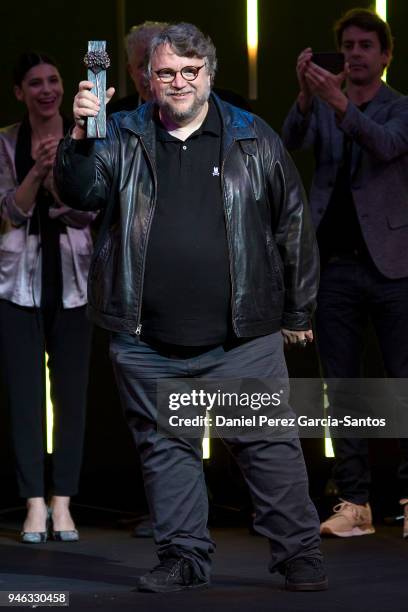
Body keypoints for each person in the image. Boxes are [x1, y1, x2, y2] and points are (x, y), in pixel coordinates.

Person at [55, 22, 327, 592]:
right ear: (147, 79)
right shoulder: (120, 134)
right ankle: (183, 558)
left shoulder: (253, 137)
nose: (178, 82)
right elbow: (82, 193)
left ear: (209, 74)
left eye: (189, 71)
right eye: (165, 73)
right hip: (147, 340)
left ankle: (300, 555)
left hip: (240, 339)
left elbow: (293, 223)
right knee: (166, 453)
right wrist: (79, 134)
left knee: (268, 451)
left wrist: (298, 312)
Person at [282, 8, 408, 538]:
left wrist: (338, 105)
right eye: (347, 46)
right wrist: (309, 96)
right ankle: (354, 500)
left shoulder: (400, 107)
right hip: (333, 268)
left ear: (384, 55)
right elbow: (289, 144)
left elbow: (386, 146)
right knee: (344, 388)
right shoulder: (325, 102)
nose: (354, 54)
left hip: (393, 268)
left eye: (364, 46)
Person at [0, 52, 95, 543]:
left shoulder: (87, 139)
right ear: (20, 92)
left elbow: (90, 214)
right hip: (17, 284)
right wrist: (36, 172)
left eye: (53, 80)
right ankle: (33, 502)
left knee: (72, 397)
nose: (46, 90)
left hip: (75, 282)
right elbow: (9, 215)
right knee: (25, 397)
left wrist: (61, 178)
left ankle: (64, 502)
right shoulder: (5, 142)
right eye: (34, 82)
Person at [109, 20, 252, 114]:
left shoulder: (234, 109)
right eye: (142, 65)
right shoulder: (113, 118)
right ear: (130, 71)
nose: (150, 74)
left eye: (165, 67)